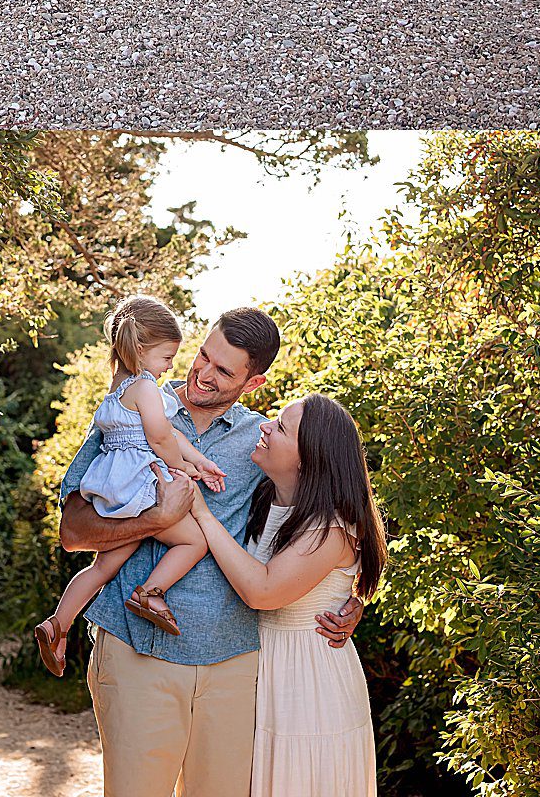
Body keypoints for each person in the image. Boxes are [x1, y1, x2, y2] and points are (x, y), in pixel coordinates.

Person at [55, 308, 364, 797]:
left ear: (253, 381)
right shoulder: (133, 407)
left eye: (223, 371)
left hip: (234, 663)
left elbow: (333, 511)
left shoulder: (263, 441)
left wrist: (346, 596)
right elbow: (73, 530)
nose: (201, 373)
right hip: (139, 652)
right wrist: (153, 520)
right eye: (203, 355)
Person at [190, 394, 386, 797]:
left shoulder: (331, 528)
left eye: (279, 427)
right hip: (254, 666)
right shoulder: (264, 498)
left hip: (307, 685)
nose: (264, 427)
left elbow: (263, 590)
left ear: (307, 458)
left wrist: (202, 514)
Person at [35, 296, 227, 677]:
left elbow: (166, 432)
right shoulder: (146, 388)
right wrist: (184, 469)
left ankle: (57, 624)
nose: (171, 365)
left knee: (103, 566)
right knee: (195, 541)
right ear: (141, 350)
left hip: (111, 488)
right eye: (166, 357)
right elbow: (160, 438)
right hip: (141, 484)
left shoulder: (119, 386)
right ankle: (150, 593)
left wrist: (200, 461)